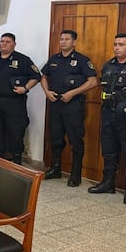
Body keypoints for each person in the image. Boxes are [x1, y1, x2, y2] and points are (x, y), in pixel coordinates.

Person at [88, 33, 126, 202]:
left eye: (121, 44)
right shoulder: (108, 65)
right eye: (115, 44)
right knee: (108, 150)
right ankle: (108, 183)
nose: (117, 47)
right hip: (108, 114)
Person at [40, 29, 98, 186]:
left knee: (75, 140)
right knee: (55, 138)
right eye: (61, 39)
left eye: (66, 39)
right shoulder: (54, 59)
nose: (63, 42)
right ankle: (55, 169)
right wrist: (47, 92)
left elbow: (93, 81)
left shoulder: (81, 60)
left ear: (74, 42)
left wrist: (72, 93)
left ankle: (75, 174)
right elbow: (44, 77)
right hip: (55, 103)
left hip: (73, 105)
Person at [0, 32, 40, 166]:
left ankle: (16, 161)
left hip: (14, 103)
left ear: (14, 44)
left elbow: (36, 76)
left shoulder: (23, 60)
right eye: (2, 41)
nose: (4, 44)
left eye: (7, 42)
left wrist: (25, 88)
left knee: (15, 132)